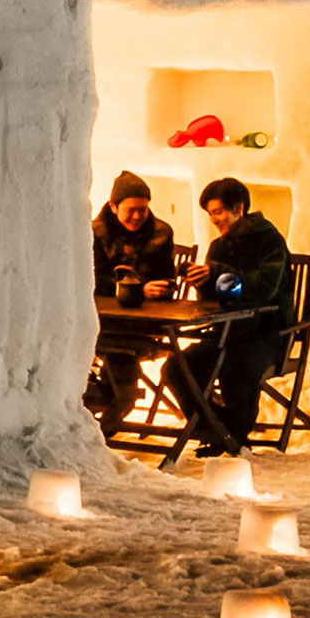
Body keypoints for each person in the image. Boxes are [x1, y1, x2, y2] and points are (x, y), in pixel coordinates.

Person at [174, 177, 293, 453]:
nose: (214, 219)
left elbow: (265, 287)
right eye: (210, 214)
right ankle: (219, 429)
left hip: (265, 334)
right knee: (178, 366)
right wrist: (201, 281)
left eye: (218, 212)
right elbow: (214, 300)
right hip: (226, 332)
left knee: (236, 366)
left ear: (238, 207)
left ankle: (230, 433)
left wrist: (217, 273)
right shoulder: (219, 246)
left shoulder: (269, 240)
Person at [86, 171, 178, 433]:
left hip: (146, 324)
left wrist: (163, 288)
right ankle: (107, 416)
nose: (137, 216)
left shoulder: (161, 232)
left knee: (121, 362)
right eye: (131, 210)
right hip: (104, 321)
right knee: (114, 358)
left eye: (143, 209)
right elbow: (93, 279)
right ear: (114, 207)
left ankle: (107, 424)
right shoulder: (95, 233)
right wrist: (134, 290)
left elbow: (167, 276)